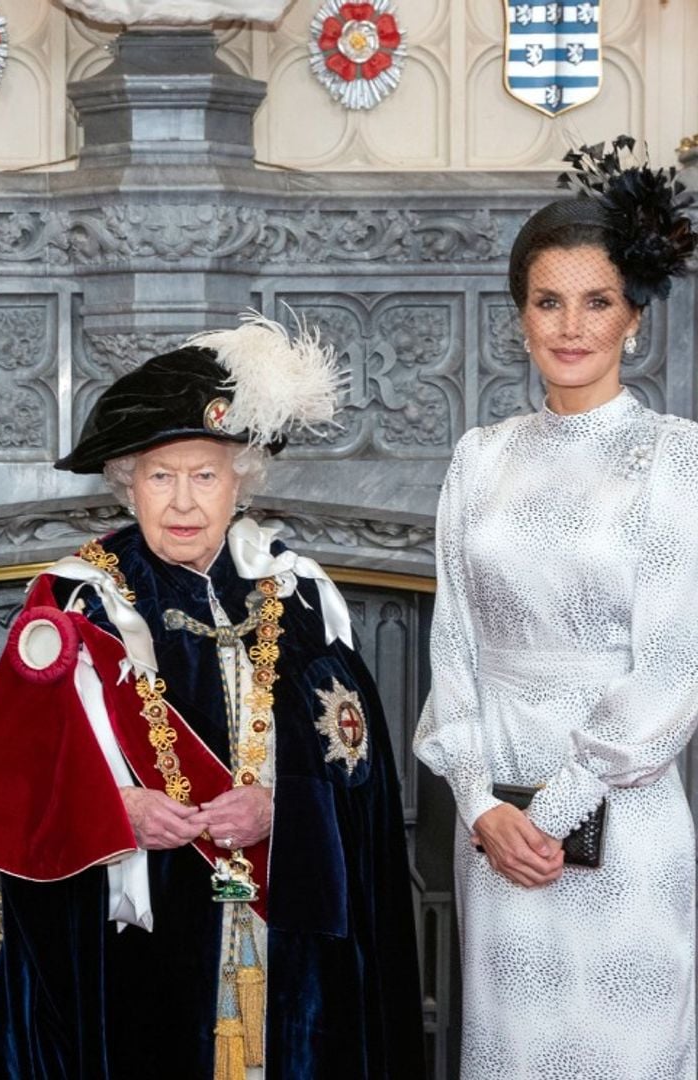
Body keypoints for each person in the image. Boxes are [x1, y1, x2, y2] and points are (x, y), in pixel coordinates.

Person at [0, 314, 425, 1079]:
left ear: (240, 481)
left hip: (283, 930)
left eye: (205, 475)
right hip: (131, 945)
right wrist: (114, 808)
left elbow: (358, 768)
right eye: (160, 475)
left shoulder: (299, 598)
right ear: (126, 483)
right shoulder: (75, 605)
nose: (182, 501)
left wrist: (281, 806)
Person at [413, 136, 698, 1079]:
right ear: (521, 320)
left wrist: (561, 806)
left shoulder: (676, 459)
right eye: (548, 301)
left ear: (635, 321)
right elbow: (451, 644)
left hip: (626, 814)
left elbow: (673, 664)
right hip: (493, 818)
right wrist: (481, 804)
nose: (571, 325)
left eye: (598, 301)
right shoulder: (478, 457)